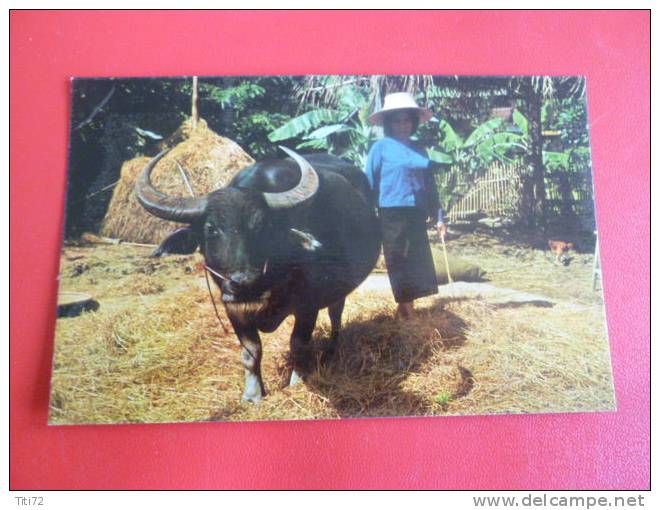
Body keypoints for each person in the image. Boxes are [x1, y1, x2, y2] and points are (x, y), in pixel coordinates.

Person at [365, 92, 447, 319]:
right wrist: (366, 214)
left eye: (407, 120)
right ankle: (408, 310)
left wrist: (439, 217)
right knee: (397, 259)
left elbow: (429, 186)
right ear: (389, 123)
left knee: (416, 259)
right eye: (397, 120)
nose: (402, 125)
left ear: (413, 122)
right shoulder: (380, 148)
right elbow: (368, 182)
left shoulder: (419, 149)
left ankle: (404, 307)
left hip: (416, 211)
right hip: (391, 212)